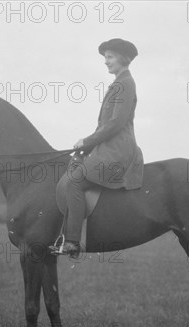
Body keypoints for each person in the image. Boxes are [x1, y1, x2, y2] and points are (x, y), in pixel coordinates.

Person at [52, 38, 144, 257]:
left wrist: (87, 141)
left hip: (117, 150)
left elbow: (116, 123)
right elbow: (106, 124)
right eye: (105, 57)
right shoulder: (119, 82)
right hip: (108, 147)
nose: (105, 62)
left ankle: (72, 241)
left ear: (123, 58)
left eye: (110, 57)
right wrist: (87, 148)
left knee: (74, 181)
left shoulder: (125, 83)